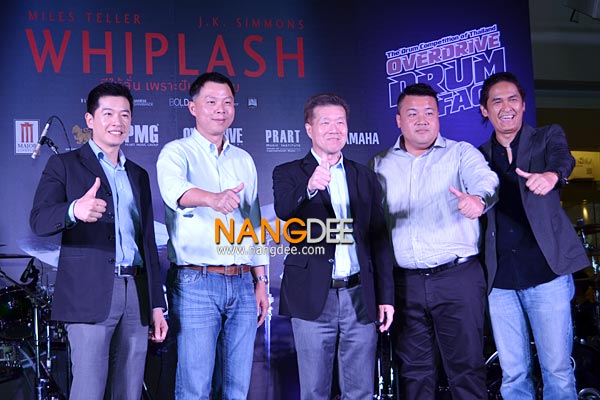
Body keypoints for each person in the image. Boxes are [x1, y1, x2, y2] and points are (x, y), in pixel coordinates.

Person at [29, 82, 168, 400]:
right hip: (87, 294)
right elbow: (39, 220)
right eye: (108, 113)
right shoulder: (65, 164)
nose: (117, 122)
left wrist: (156, 305)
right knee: (89, 390)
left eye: (125, 114)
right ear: (90, 120)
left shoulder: (138, 174)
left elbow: (147, 242)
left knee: (129, 391)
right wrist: (74, 210)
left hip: (136, 292)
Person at [371, 83, 499, 399]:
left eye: (429, 113)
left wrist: (478, 200)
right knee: (414, 375)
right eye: (412, 114)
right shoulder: (380, 164)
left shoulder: (460, 153)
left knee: (467, 370)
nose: (422, 120)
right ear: (398, 120)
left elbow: (487, 180)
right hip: (405, 284)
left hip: (457, 279)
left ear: (439, 117)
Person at [272, 93, 395, 399]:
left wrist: (385, 297)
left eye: (340, 122)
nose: (334, 129)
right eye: (325, 122)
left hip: (359, 295)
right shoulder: (288, 172)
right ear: (309, 129)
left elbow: (379, 239)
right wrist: (309, 187)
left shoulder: (365, 176)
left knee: (361, 390)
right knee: (314, 390)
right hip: (312, 296)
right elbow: (284, 209)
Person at [156, 71, 269, 399]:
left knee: (237, 387)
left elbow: (254, 223)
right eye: (211, 102)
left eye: (227, 102)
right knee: (195, 386)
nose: (221, 109)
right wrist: (213, 199)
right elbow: (175, 192)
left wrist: (261, 280)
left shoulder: (244, 159)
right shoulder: (176, 153)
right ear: (193, 107)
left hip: (243, 282)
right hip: (196, 282)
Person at [478, 71, 589, 399]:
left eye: (513, 99)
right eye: (497, 101)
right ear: (485, 110)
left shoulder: (546, 137)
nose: (506, 107)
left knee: (557, 370)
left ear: (524, 105)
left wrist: (553, 175)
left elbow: (563, 158)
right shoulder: (478, 157)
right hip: (501, 283)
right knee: (513, 376)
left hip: (547, 276)